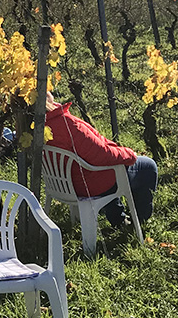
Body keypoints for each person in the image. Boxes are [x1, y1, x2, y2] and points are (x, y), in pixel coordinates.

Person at [43, 91, 157, 226]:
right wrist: (129, 154)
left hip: (63, 185)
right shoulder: (66, 124)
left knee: (106, 169)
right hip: (88, 183)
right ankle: (140, 220)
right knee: (147, 166)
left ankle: (118, 219)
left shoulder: (34, 127)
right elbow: (101, 155)